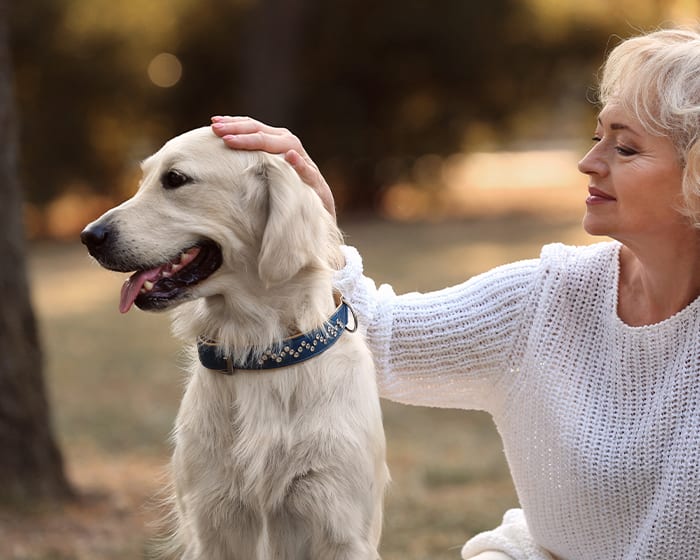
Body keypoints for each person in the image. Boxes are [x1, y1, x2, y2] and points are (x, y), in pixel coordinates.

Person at [210, 26, 700, 560]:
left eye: (626, 147)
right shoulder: (547, 299)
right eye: (597, 136)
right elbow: (377, 336)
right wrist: (317, 223)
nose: (590, 162)